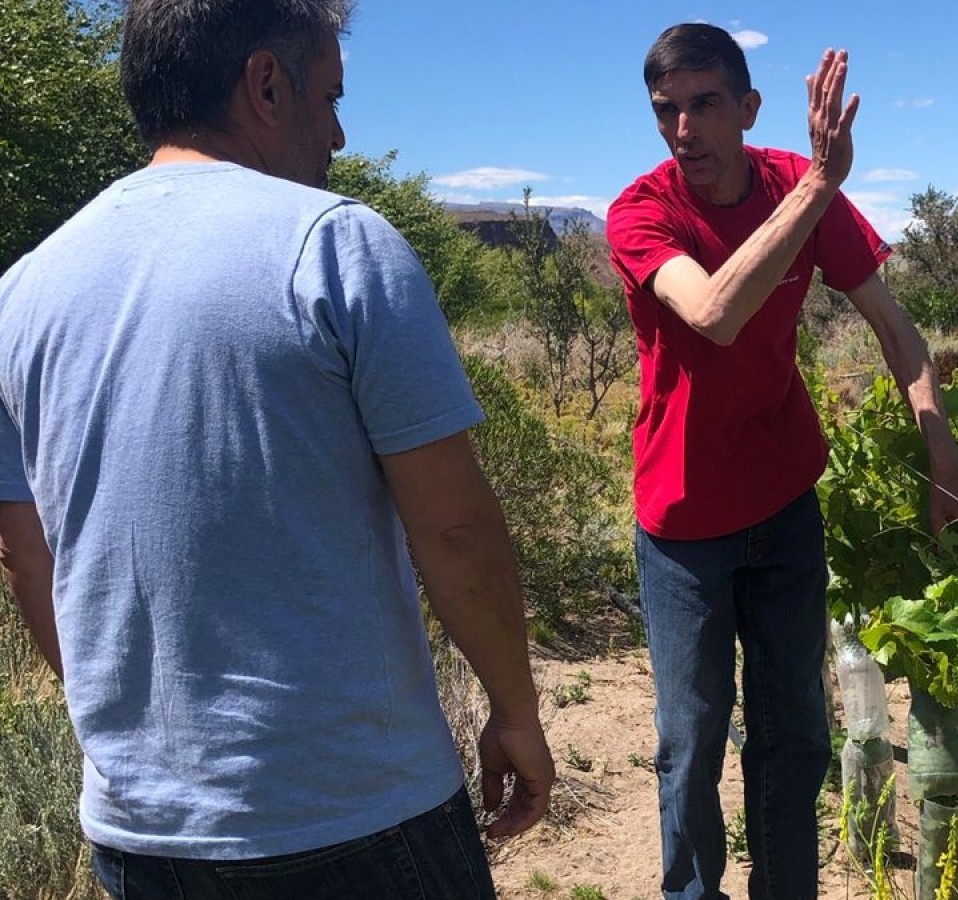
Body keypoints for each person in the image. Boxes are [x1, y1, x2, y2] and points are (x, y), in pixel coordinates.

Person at [0, 1, 554, 897]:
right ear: (265, 84)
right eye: (330, 98)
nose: (337, 134)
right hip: (350, 816)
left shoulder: (21, 294)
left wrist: (134, 752)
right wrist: (517, 711)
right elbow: (453, 529)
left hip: (138, 835)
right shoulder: (337, 245)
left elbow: (28, 558)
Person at [607, 23, 958, 900]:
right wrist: (820, 185)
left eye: (705, 105)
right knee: (691, 741)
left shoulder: (796, 186)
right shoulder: (642, 212)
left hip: (784, 505)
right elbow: (711, 312)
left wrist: (947, 461)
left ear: (748, 108)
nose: (683, 129)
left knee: (794, 734)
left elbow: (897, 330)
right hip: (682, 522)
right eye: (666, 110)